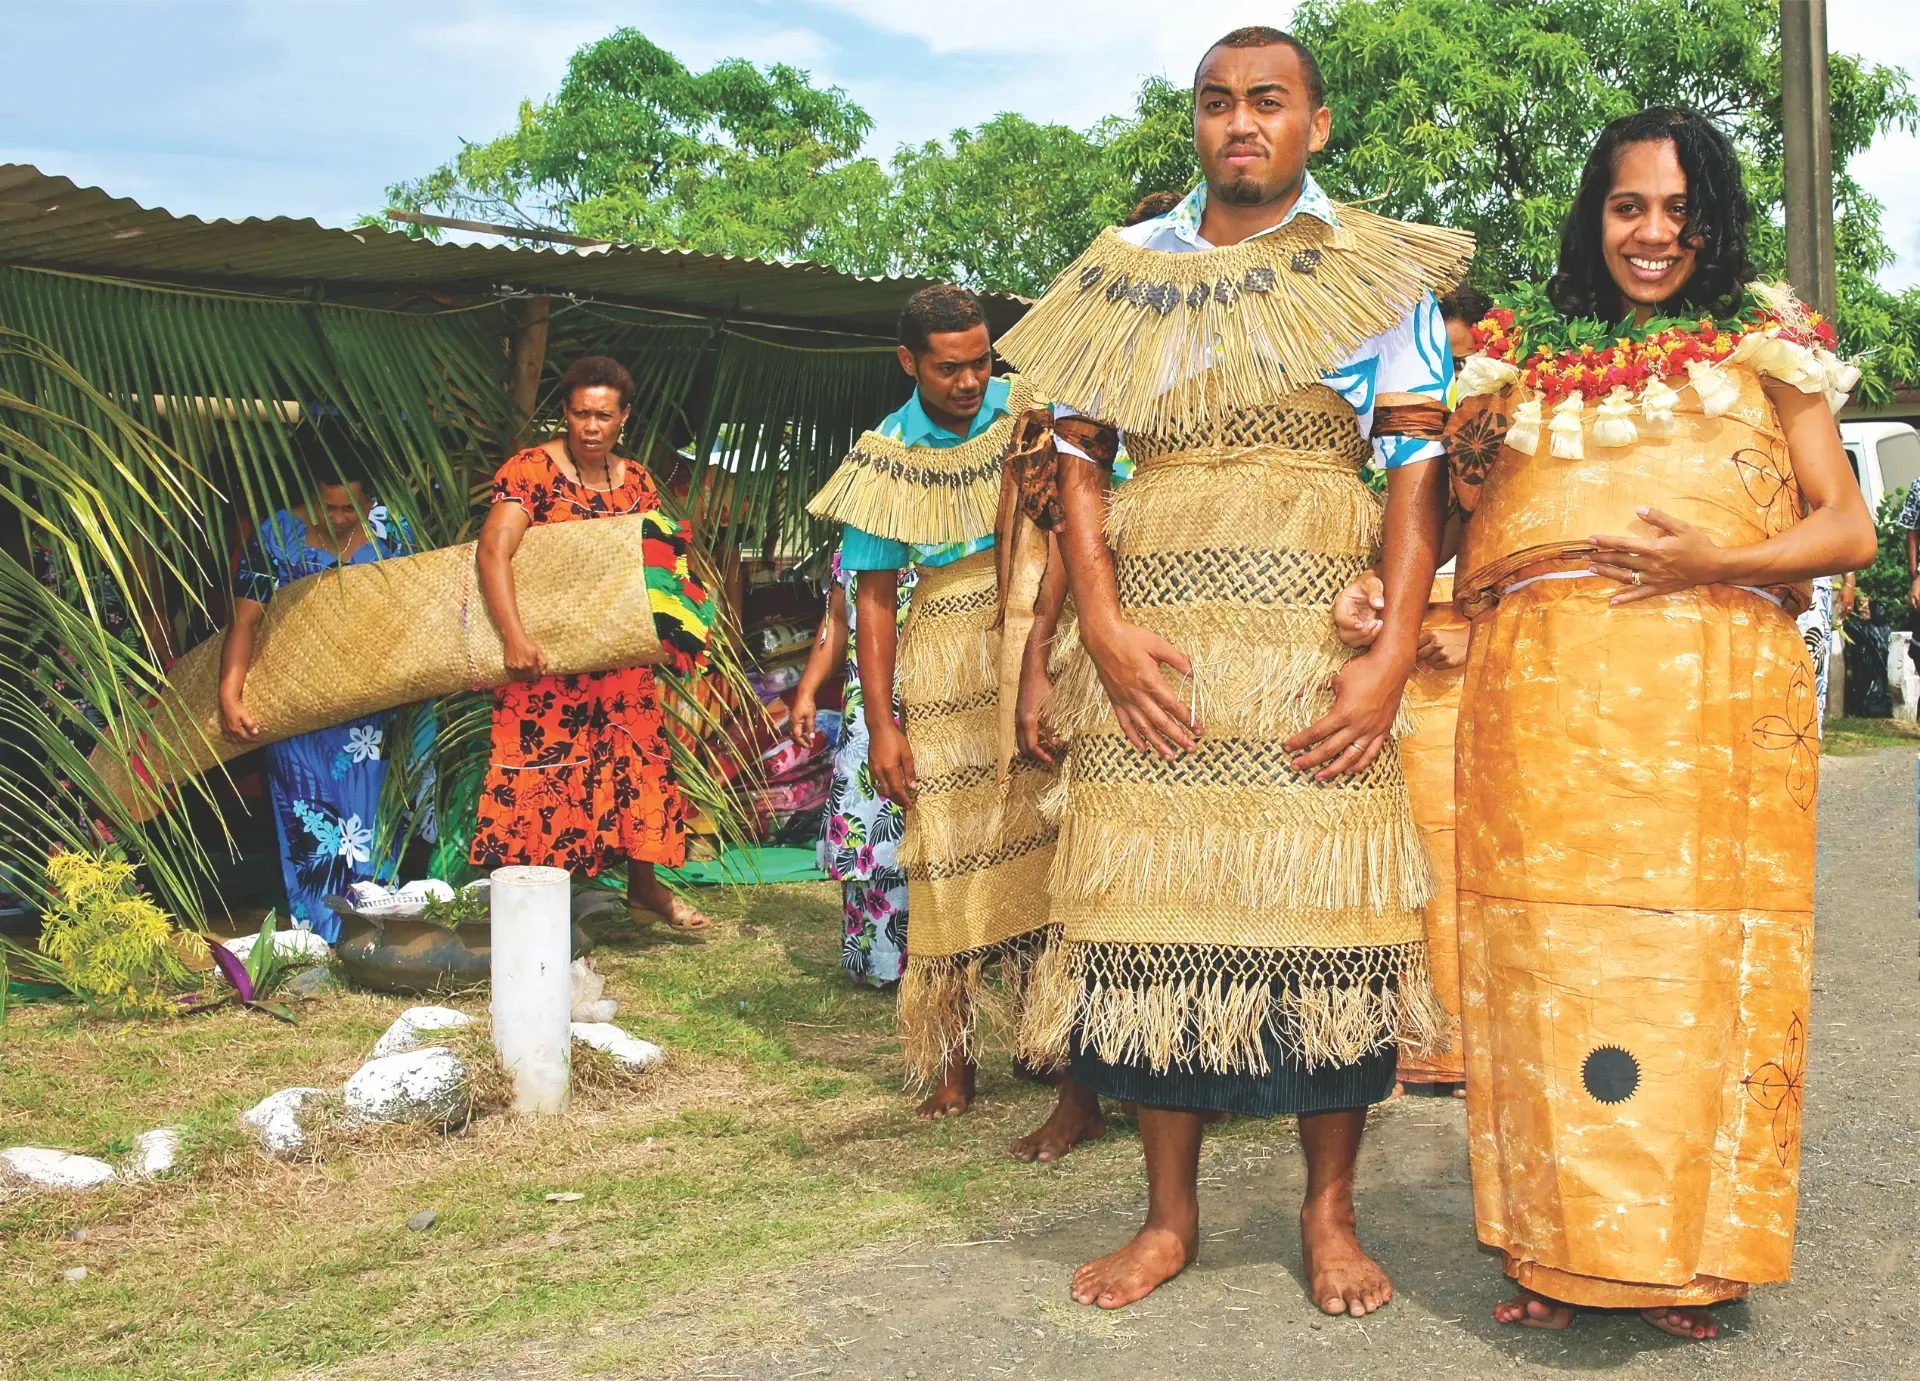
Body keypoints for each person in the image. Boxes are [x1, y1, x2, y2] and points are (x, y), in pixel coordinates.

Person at [997, 26, 1469, 1313]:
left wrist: (1390, 654)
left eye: (1267, 101)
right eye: (1217, 102)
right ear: (1195, 122)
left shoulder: (1378, 270)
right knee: (1155, 907)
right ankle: (1168, 1218)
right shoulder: (1123, 270)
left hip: (1314, 638)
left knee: (1328, 910)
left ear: (1316, 124)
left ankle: (1329, 1212)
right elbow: (1079, 457)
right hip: (1158, 640)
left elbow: (1415, 466)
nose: (1240, 122)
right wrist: (1099, 627)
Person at [1413, 107, 1874, 1340]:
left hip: (1708, 729)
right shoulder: (1515, 364)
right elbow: (1455, 523)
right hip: (1538, 728)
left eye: (1680, 210)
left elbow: (1847, 528)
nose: (1654, 234)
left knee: (1686, 972)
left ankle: (1683, 1263)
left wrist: (1717, 562)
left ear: (1712, 222)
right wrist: (1387, 589)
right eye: (1630, 207)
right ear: (1596, 215)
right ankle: (1555, 1250)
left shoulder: (1769, 351)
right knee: (1547, 969)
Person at [806, 284, 1104, 1163]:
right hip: (940, 662)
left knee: (1054, 849)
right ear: (909, 362)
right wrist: (883, 724)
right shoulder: (884, 456)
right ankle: (954, 1060)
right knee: (943, 857)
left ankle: (1065, 1058)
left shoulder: (1032, 413)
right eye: (948, 367)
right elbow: (872, 599)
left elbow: (1093, 512)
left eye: (980, 361)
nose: (970, 380)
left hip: (1041, 639)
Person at [469, 355, 715, 933]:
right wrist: (515, 638)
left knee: (636, 766)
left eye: (604, 416)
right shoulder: (530, 471)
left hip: (618, 664)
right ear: (565, 412)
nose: (591, 427)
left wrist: (675, 631)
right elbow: (492, 551)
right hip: (544, 663)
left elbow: (657, 564)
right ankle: (534, 913)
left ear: (624, 417)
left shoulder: (637, 482)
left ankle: (643, 890)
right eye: (581, 414)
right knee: (544, 776)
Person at [219, 464, 414, 941]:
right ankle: (325, 943)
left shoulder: (395, 530)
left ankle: (378, 940)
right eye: (329, 508)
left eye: (352, 507)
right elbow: (245, 621)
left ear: (370, 498)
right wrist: (230, 694)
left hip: (374, 715)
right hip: (298, 712)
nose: (341, 518)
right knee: (312, 831)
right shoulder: (277, 535)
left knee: (374, 829)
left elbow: (419, 610)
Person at [790, 544, 915, 988]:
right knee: (871, 830)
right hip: (867, 719)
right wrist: (807, 689)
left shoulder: (941, 540)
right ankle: (878, 961)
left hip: (926, 706)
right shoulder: (855, 545)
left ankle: (931, 958)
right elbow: (837, 621)